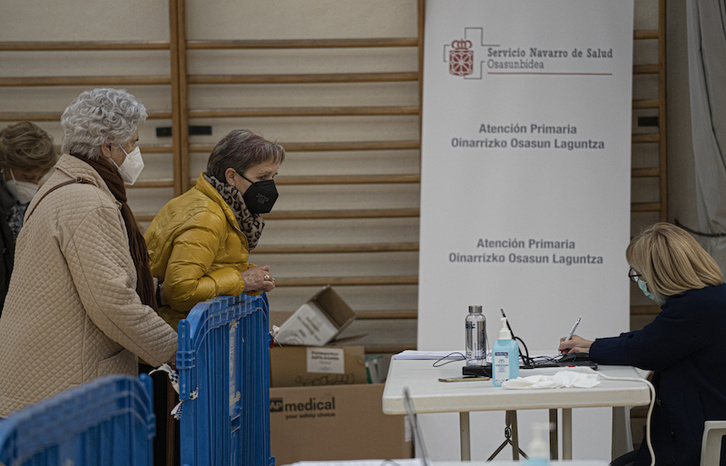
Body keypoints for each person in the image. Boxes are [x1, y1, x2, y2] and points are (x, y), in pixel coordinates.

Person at [0, 88, 178, 418]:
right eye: (132, 143)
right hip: (67, 389)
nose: (137, 152)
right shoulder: (88, 202)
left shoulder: (57, 188)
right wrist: (173, 349)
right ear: (107, 145)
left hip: (41, 379)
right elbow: (111, 301)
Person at [558, 222, 726, 466]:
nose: (639, 282)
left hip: (698, 444)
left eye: (638, 274)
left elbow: (645, 349)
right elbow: (652, 337)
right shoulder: (712, 298)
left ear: (659, 273)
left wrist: (592, 348)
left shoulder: (692, 308)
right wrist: (590, 345)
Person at [145, 128, 283, 332]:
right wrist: (242, 280)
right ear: (231, 176)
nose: (269, 186)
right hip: (176, 343)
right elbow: (181, 292)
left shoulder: (223, 208)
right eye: (263, 177)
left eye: (273, 176)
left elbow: (208, 267)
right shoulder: (207, 216)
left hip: (187, 337)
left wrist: (249, 277)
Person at [0, 122, 57, 314]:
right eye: (27, 177)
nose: (33, 185)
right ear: (4, 166)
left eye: (38, 179)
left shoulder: (29, 203)